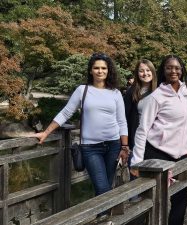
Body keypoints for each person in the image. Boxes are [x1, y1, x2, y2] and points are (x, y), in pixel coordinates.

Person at [34, 53, 129, 212]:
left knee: (105, 187)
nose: (100, 71)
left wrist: (124, 146)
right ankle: (106, 220)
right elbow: (66, 113)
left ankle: (103, 218)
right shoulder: (82, 90)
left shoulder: (115, 93)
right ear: (91, 70)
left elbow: (122, 121)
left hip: (113, 145)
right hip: (90, 148)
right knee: (102, 187)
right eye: (96, 68)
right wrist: (46, 132)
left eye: (103, 68)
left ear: (108, 70)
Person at [130, 55, 187, 225]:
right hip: (157, 152)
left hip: (181, 154)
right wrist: (137, 161)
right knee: (154, 199)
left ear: (182, 70)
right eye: (169, 68)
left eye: (177, 68)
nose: (173, 71)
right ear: (163, 70)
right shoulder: (157, 96)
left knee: (180, 199)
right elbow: (142, 130)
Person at [124, 59, 157, 178]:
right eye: (141, 71)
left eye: (148, 70)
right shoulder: (131, 92)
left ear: (153, 72)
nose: (145, 73)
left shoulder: (160, 90)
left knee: (154, 179)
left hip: (156, 144)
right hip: (136, 141)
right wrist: (125, 144)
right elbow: (124, 118)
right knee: (136, 178)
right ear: (137, 73)